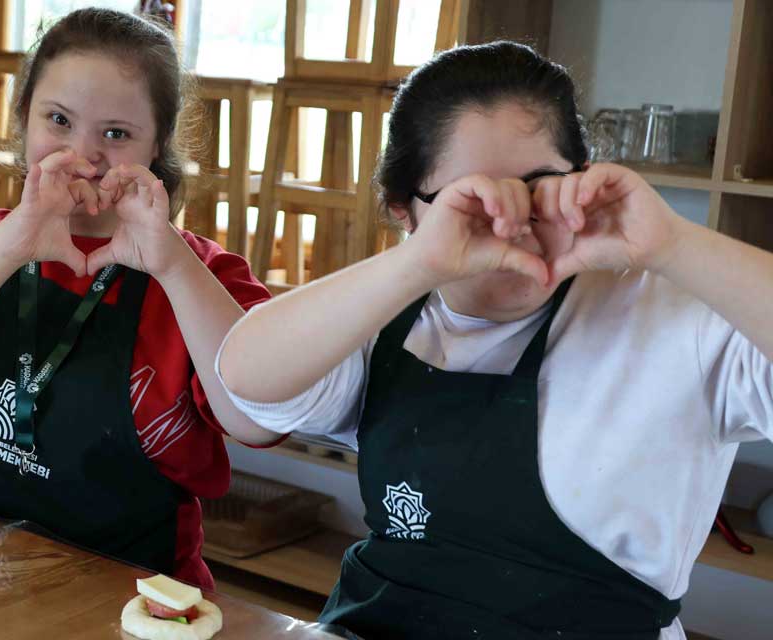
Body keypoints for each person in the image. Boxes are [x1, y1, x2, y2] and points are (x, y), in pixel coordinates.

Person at [215, 41, 773, 639]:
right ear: (405, 210)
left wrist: (675, 245)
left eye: (539, 193)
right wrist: (416, 267)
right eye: (474, 203)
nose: (513, 229)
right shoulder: (386, 310)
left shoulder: (671, 318)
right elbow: (247, 380)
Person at [0, 8, 272, 590]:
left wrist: (172, 265)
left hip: (131, 596)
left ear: (158, 147)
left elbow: (260, 419)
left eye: (117, 134)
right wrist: (11, 244)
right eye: (59, 120)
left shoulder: (202, 273)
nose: (85, 154)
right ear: (24, 119)